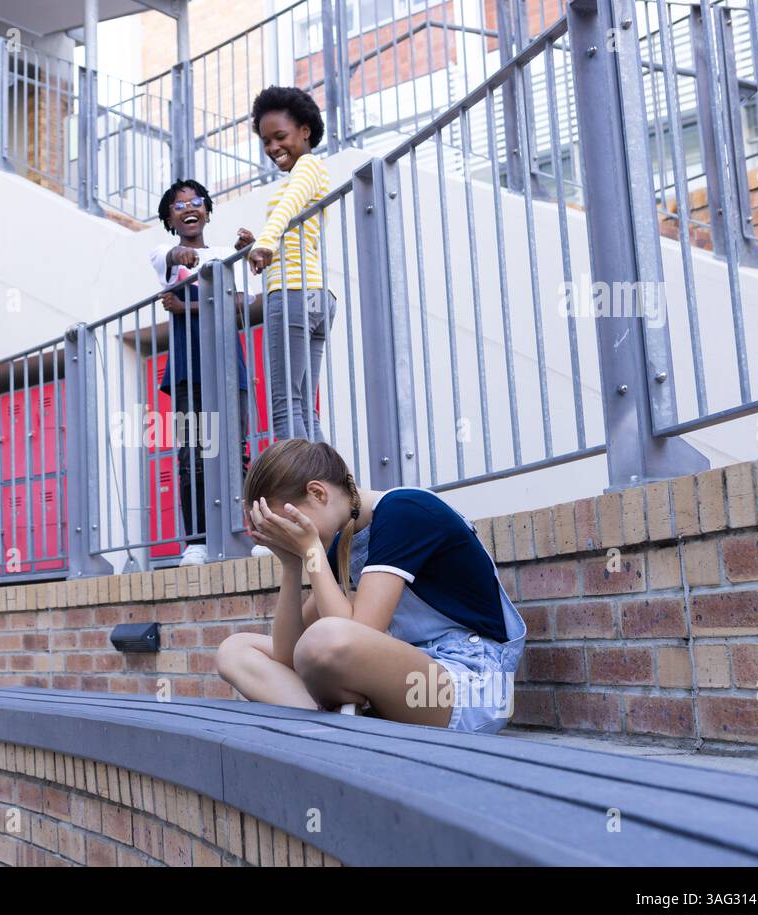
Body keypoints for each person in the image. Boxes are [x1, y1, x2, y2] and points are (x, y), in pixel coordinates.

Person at [215, 440, 527, 733]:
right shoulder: (339, 541)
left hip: (469, 686)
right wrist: (292, 565)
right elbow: (287, 655)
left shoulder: (403, 511)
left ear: (318, 493)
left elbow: (353, 636)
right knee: (236, 649)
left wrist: (311, 551)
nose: (288, 534)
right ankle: (331, 729)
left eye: (288, 522)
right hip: (408, 673)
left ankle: (338, 726)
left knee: (323, 639)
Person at [148, 179, 269, 567]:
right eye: (179, 204)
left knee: (238, 452)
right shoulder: (162, 252)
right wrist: (183, 260)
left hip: (228, 366)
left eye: (197, 201)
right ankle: (197, 542)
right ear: (170, 218)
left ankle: (248, 533)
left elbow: (239, 303)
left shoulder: (223, 254)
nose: (189, 207)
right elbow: (172, 260)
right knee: (192, 455)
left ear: (207, 209)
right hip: (188, 372)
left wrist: (186, 308)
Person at [244, 86, 334, 443]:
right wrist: (257, 243)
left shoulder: (308, 166)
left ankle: (296, 490)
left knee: (284, 404)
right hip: (315, 294)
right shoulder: (311, 172)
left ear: (305, 131)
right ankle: (332, 487)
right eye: (266, 141)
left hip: (292, 294)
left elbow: (289, 205)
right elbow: (297, 234)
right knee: (304, 407)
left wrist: (265, 243)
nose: (272, 148)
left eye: (279, 136)